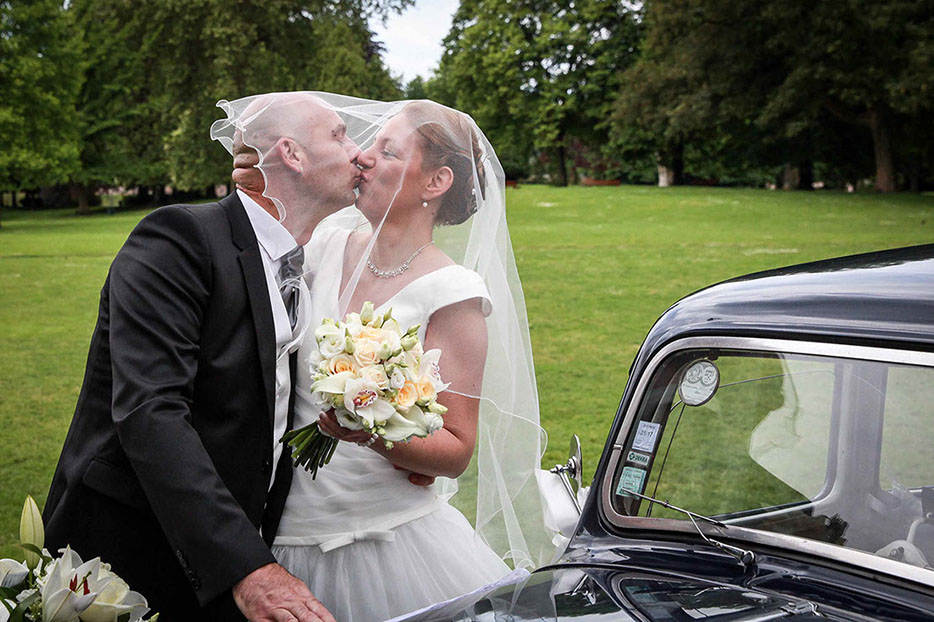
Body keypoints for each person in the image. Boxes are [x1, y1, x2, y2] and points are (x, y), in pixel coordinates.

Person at [233, 97, 552, 621]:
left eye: (388, 151)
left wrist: (370, 429)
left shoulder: (453, 293)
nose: (362, 158)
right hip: (282, 532)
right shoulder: (323, 249)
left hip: (389, 544)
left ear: (435, 183)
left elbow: (455, 449)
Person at [43, 93, 357, 622]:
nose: (359, 153)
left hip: (230, 549)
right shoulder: (178, 238)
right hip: (128, 555)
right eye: (339, 135)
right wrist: (247, 568)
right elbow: (151, 412)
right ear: (292, 154)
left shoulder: (301, 263)